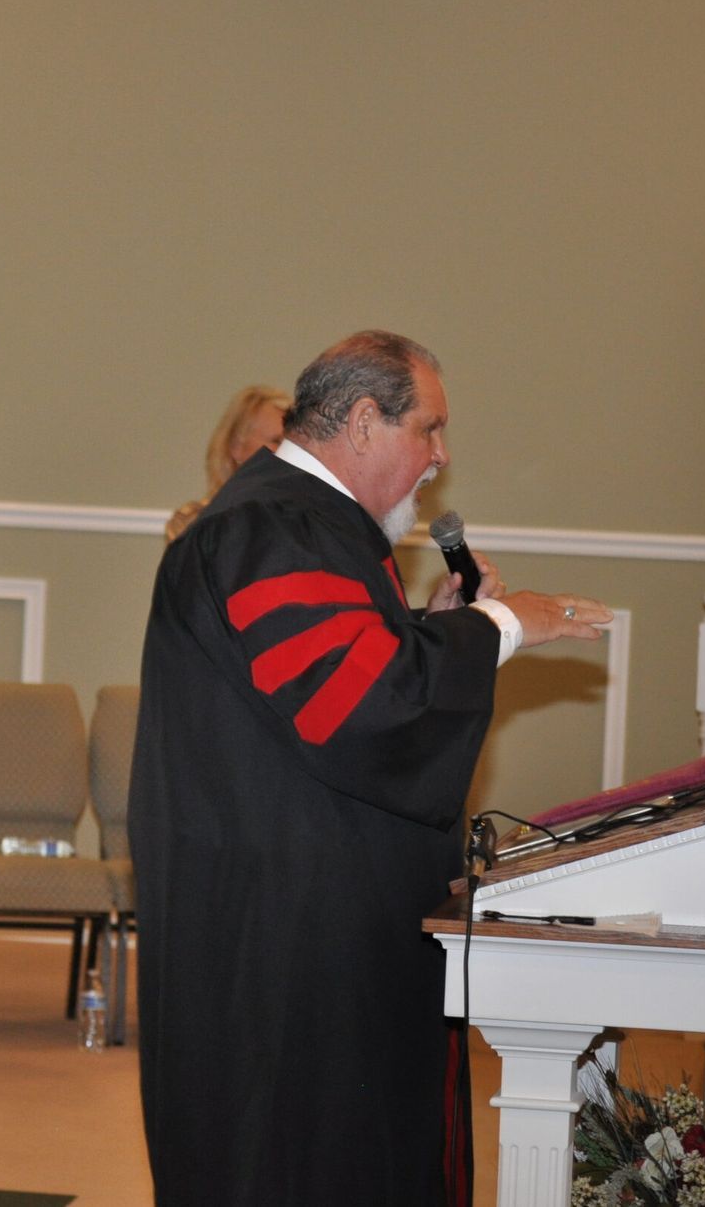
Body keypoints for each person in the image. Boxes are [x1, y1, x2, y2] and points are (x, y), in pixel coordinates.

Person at [129, 330, 611, 1205]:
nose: (442, 456)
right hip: (281, 960)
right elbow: (365, 712)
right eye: (428, 429)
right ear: (360, 421)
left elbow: (340, 685)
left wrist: (426, 631)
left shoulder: (303, 524)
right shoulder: (270, 527)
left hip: (312, 934)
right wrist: (502, 626)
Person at [163, 384, 291, 542]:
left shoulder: (303, 521)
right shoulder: (193, 525)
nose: (289, 453)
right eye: (276, 441)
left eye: (293, 444)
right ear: (236, 447)